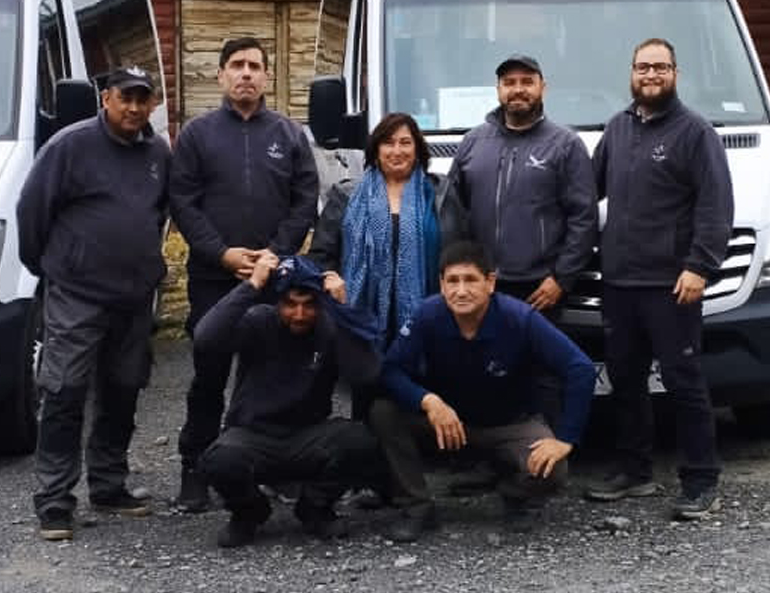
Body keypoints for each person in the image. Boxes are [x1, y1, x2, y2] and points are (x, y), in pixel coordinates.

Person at [16, 65, 171, 541]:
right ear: (106, 98)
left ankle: (109, 484)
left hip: (133, 295)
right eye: (126, 97)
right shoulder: (69, 146)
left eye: (143, 99)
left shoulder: (157, 153)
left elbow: (159, 211)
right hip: (77, 294)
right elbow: (31, 210)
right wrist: (52, 267)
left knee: (124, 388)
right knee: (64, 391)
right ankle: (55, 500)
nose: (134, 107)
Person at [585, 37, 734, 520]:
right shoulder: (618, 128)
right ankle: (634, 471)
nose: (651, 75)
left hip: (672, 284)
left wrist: (700, 266)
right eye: (643, 67)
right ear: (631, 72)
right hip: (619, 284)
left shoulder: (695, 133)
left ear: (675, 73)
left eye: (660, 67)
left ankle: (701, 480)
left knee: (683, 381)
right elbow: (589, 190)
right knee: (625, 380)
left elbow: (716, 206)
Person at [169, 36, 320, 512]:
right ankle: (195, 467)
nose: (246, 73)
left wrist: (274, 255)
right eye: (236, 65)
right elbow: (184, 203)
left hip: (275, 281)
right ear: (220, 75)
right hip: (216, 279)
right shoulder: (196, 135)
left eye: (255, 65)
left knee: (274, 375)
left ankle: (276, 469)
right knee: (209, 375)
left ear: (267, 76)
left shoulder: (290, 135)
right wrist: (223, 255)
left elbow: (304, 202)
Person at [370, 241, 596, 542]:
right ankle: (416, 506)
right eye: (452, 281)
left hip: (509, 423)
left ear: (490, 282)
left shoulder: (519, 318)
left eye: (470, 280)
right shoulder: (428, 315)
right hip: (449, 425)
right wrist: (428, 401)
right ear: (441, 284)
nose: (461, 291)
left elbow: (580, 368)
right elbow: (390, 370)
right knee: (383, 413)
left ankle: (514, 494)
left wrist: (566, 439)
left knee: (552, 468)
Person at [195, 252, 382, 548]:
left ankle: (315, 508)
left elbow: (366, 374)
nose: (299, 314)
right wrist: (252, 285)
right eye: (291, 305)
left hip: (307, 437)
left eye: (309, 306)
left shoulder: (328, 328)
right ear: (277, 301)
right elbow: (205, 338)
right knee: (219, 460)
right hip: (254, 435)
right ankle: (249, 513)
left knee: (359, 440)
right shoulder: (258, 321)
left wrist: (342, 309)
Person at [308, 112, 463, 410]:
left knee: (421, 400)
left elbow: (460, 253)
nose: (397, 150)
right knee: (368, 401)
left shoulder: (440, 193)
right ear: (375, 150)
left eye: (406, 142)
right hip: (363, 321)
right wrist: (331, 277)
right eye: (388, 142)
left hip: (425, 316)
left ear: (418, 149)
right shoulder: (347, 195)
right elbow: (320, 256)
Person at [447, 53, 597, 315]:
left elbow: (584, 220)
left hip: (539, 290)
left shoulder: (566, 144)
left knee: (536, 357)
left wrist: (561, 278)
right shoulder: (473, 142)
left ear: (543, 88)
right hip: (482, 285)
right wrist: (461, 273)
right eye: (509, 82)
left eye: (527, 82)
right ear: (498, 90)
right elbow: (452, 215)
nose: (518, 89)